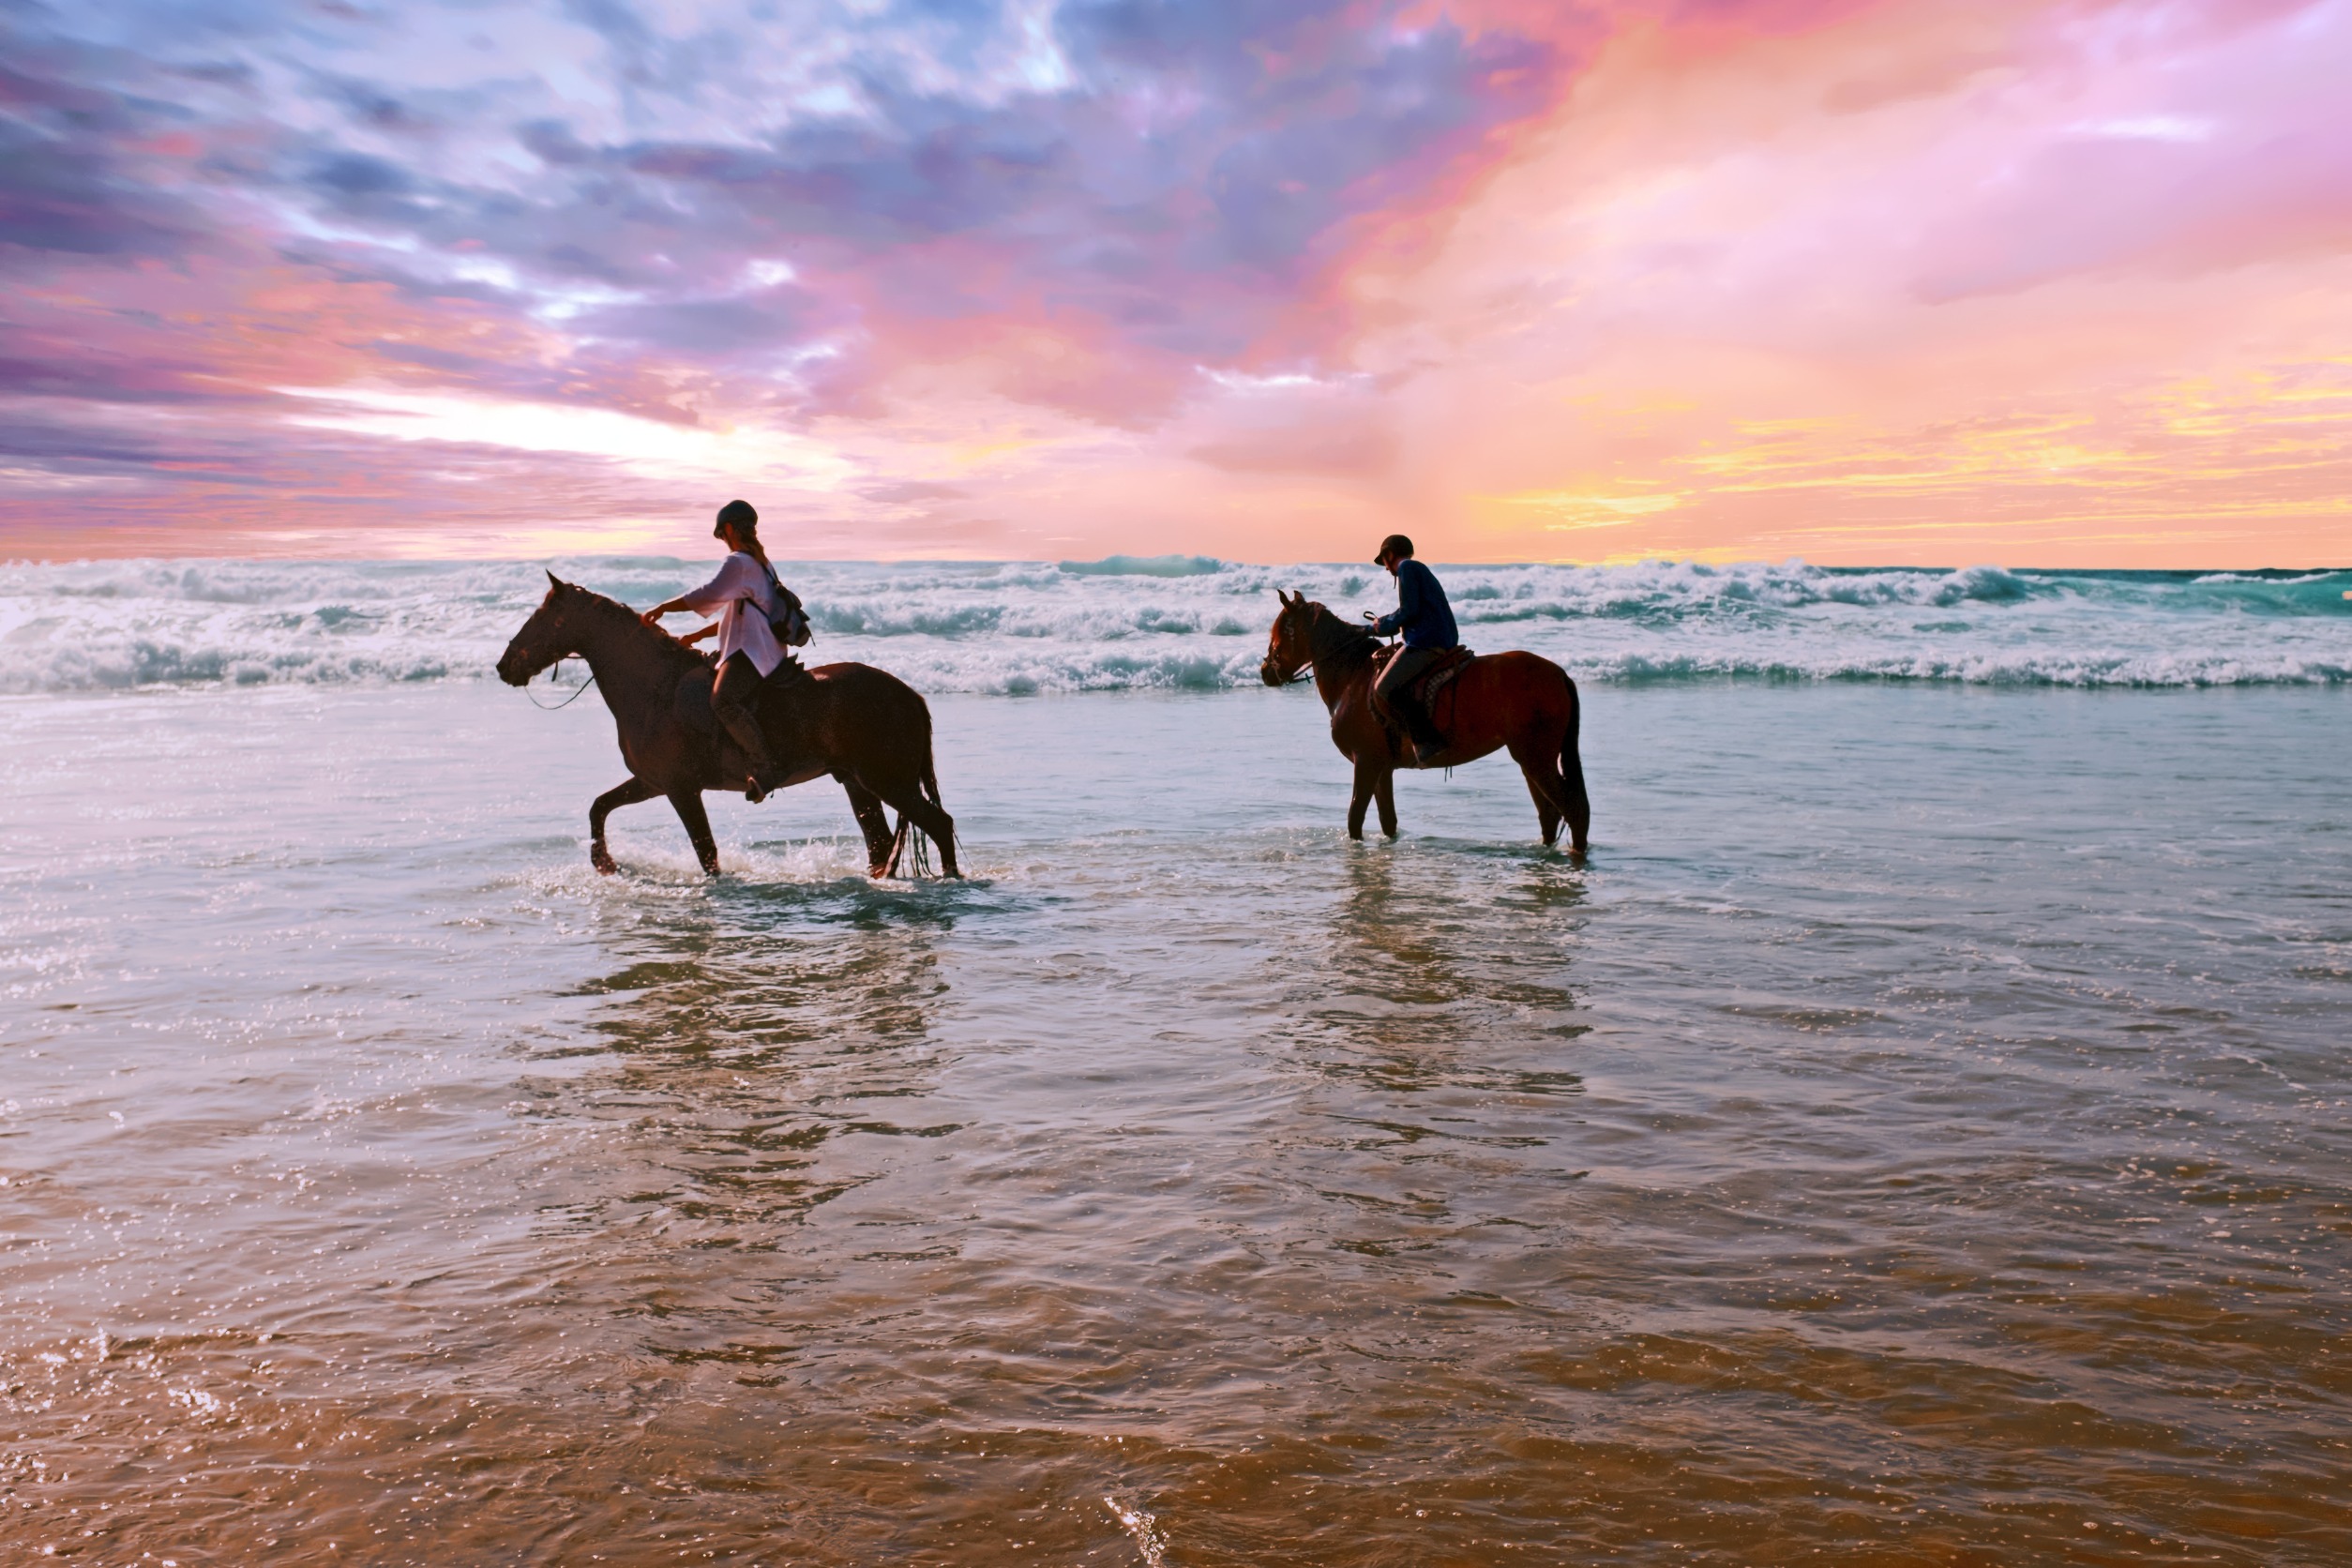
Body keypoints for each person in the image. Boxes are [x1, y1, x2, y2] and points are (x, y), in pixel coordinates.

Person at [640, 499, 794, 801]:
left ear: (727, 529)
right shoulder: (761, 564)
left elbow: (710, 594)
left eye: (722, 536)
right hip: (759, 647)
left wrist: (665, 608)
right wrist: (697, 635)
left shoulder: (739, 562)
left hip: (754, 654)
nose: (723, 541)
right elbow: (739, 612)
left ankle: (766, 767)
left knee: (723, 700)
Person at [1368, 533, 1458, 761]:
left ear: (1390, 555)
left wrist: (1382, 625)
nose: (1386, 569)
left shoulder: (1407, 568)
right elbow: (1410, 610)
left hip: (1426, 641)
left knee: (1384, 687)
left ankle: (1426, 740)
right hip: (1437, 636)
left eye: (1385, 563)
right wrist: (1384, 623)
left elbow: (1409, 610)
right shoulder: (1417, 568)